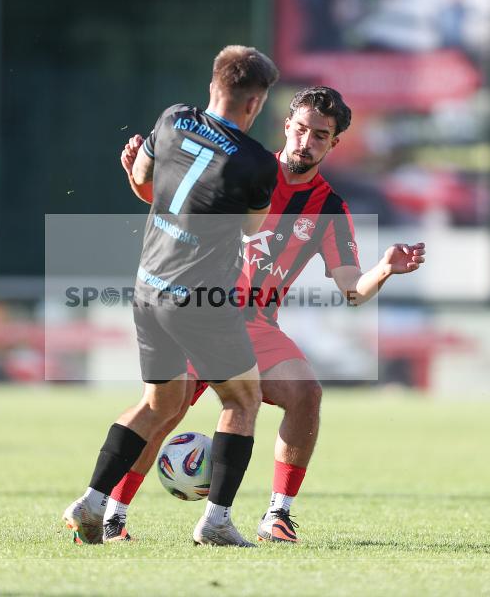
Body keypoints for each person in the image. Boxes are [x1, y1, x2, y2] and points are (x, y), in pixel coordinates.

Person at [108, 86, 425, 543]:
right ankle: (113, 514)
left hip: (256, 326)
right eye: (300, 130)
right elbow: (174, 208)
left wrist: (385, 269)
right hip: (199, 310)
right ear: (286, 127)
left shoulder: (328, 208)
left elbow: (352, 289)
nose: (306, 142)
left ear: (333, 144)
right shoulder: (245, 169)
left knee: (306, 395)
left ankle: (278, 514)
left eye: (320, 135)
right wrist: (141, 179)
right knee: (164, 410)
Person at [63, 45, 280, 548]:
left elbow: (140, 179)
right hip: (199, 298)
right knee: (243, 398)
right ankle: (217, 521)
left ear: (212, 87)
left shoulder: (173, 118)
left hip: (148, 287)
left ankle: (92, 502)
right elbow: (251, 228)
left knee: (159, 400)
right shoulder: (254, 162)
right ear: (254, 105)